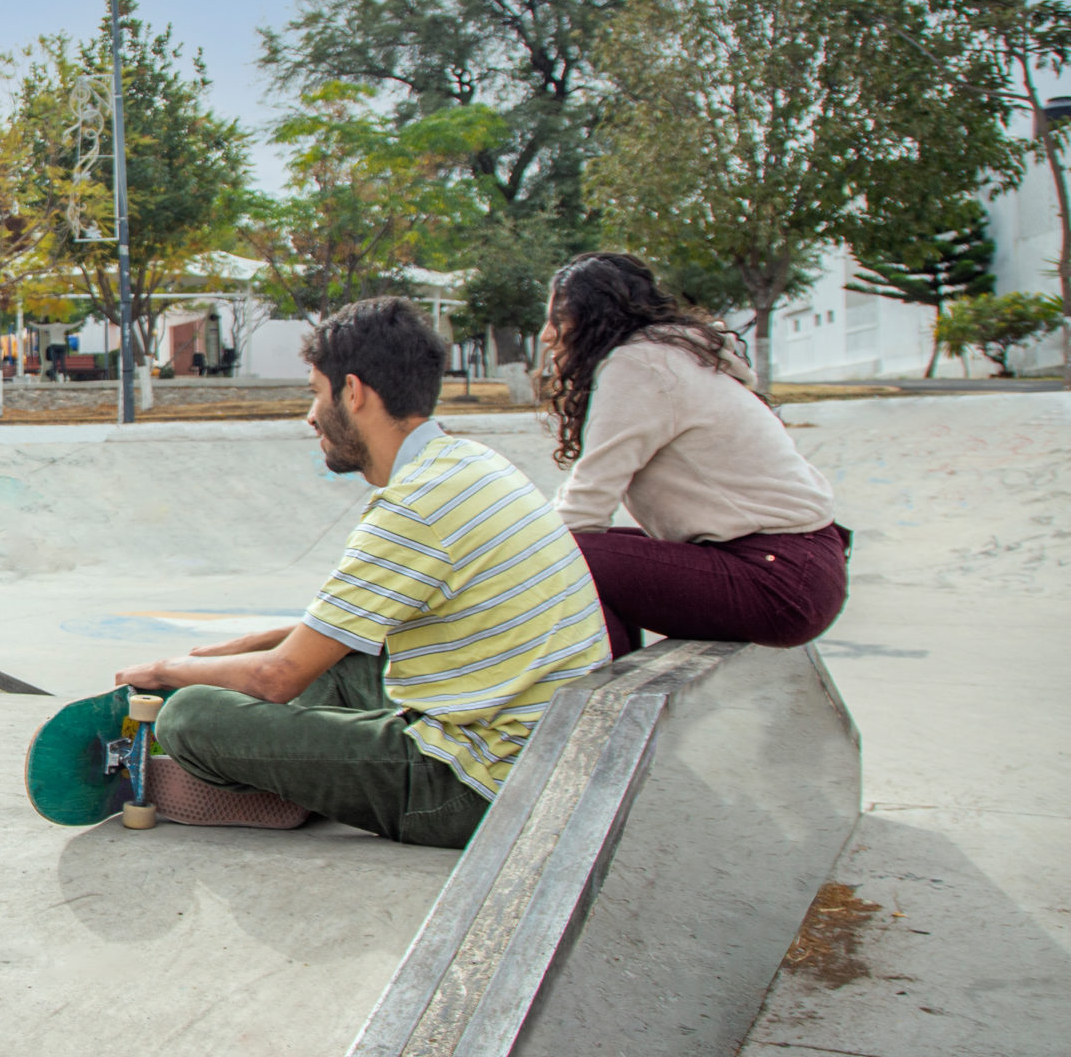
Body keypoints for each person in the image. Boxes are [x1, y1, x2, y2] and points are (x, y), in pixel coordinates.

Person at [113, 298, 608, 848]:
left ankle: (241, 773)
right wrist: (210, 657)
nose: (310, 416)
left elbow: (276, 677)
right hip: (544, 750)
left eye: (316, 394)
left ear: (353, 391)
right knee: (339, 665)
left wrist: (166, 672)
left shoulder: (411, 508)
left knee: (192, 716)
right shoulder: (468, 464)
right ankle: (276, 770)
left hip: (477, 787)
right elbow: (330, 633)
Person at [540, 252, 848, 659]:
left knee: (559, 558)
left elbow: (587, 501)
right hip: (805, 567)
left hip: (778, 579)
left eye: (557, 318)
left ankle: (600, 705)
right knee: (584, 550)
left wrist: (509, 558)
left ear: (594, 316)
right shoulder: (673, 354)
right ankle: (606, 690)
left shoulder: (641, 365)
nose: (547, 335)